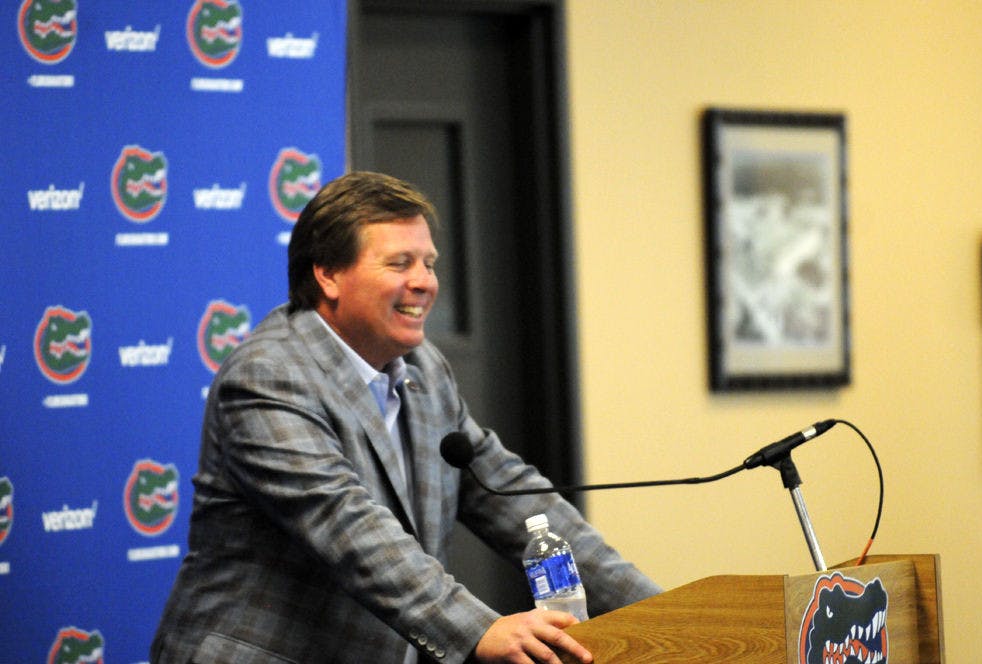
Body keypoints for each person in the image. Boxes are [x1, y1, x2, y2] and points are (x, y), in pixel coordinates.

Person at [150, 171, 660, 664]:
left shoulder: (424, 369)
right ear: (327, 274)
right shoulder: (268, 376)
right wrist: (479, 627)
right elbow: (347, 525)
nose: (424, 283)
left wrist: (656, 611)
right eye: (400, 264)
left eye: (429, 264)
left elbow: (512, 495)